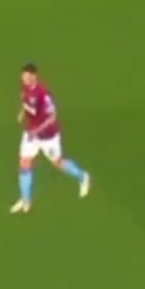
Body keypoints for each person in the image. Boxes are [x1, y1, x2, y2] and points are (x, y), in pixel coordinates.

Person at [11, 63, 90, 214]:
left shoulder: (43, 93)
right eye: (23, 75)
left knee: (58, 162)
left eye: (27, 76)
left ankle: (83, 176)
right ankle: (26, 200)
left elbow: (52, 117)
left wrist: (37, 130)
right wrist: (22, 113)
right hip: (31, 133)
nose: (24, 78)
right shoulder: (25, 87)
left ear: (35, 76)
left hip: (48, 136)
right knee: (24, 163)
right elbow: (25, 101)